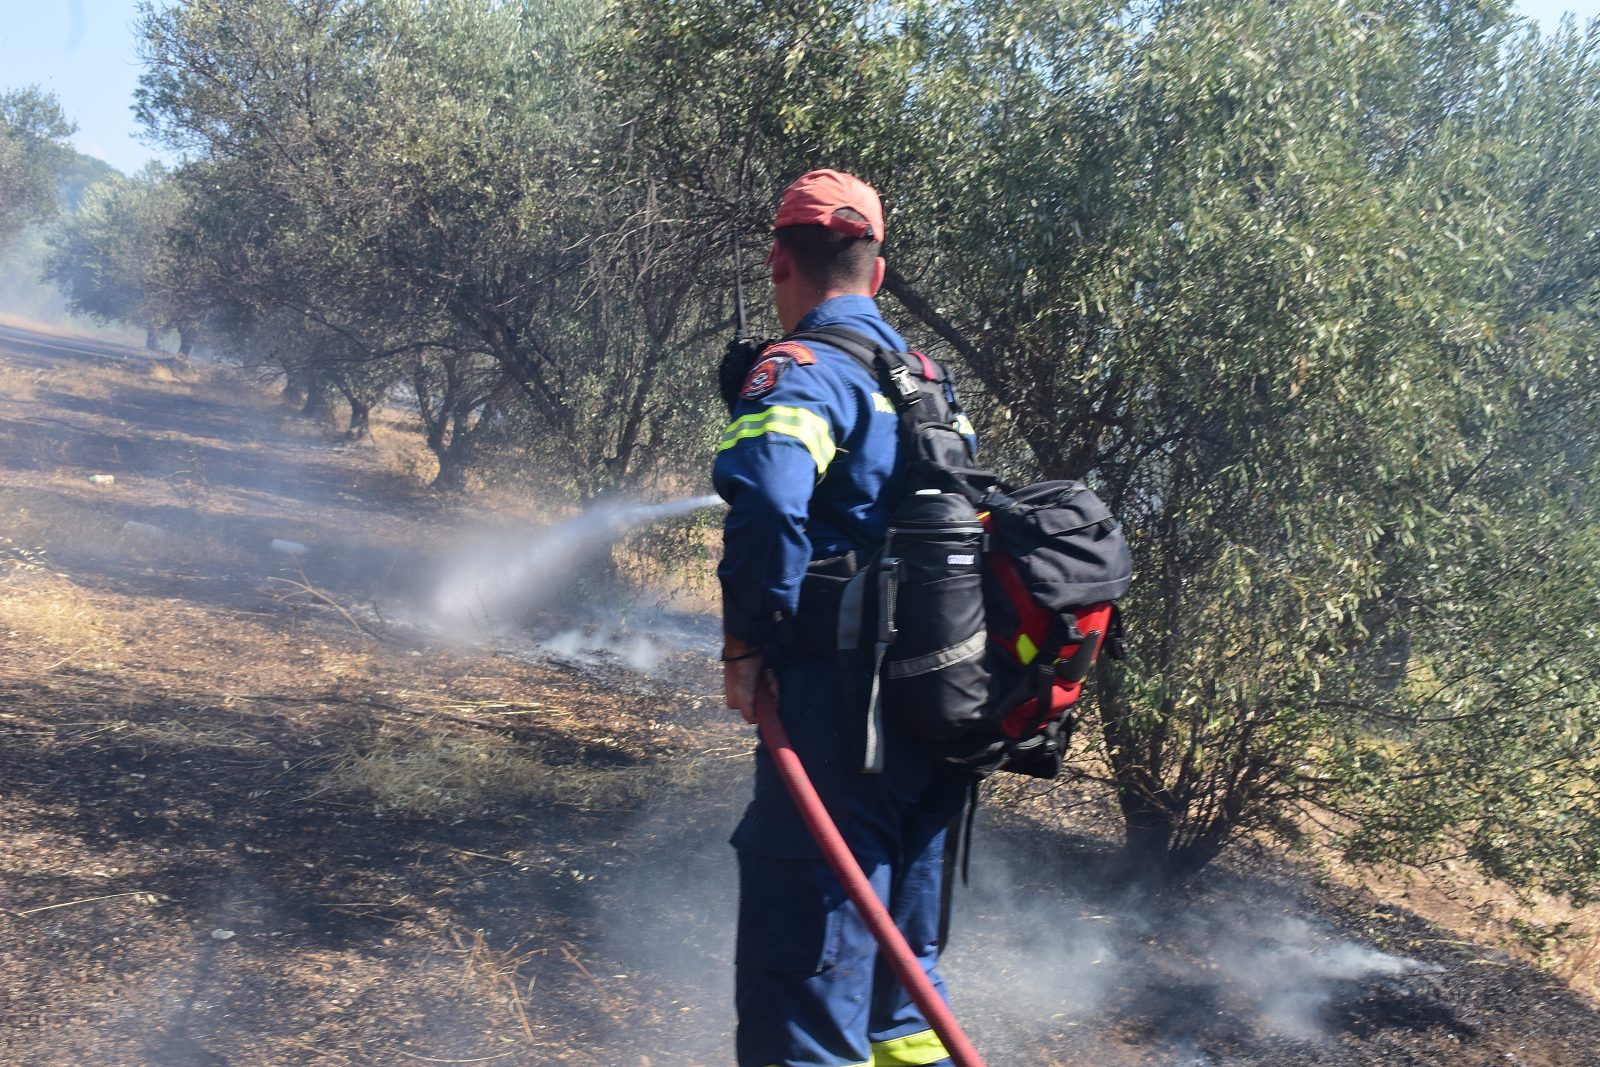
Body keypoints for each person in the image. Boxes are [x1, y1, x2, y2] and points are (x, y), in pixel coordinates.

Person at [713, 169, 974, 1067]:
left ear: (779, 262)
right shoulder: (929, 386)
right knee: (903, 998)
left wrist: (746, 644)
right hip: (935, 715)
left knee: (806, 985)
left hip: (837, 717)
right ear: (879, 270)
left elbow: (767, 498)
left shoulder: (804, 369)